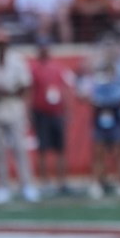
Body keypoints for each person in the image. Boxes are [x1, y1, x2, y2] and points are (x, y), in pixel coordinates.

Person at [0, 27, 39, 204]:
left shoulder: (17, 60)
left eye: (3, 43)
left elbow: (25, 86)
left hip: (14, 109)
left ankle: (26, 185)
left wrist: (6, 92)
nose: (1, 46)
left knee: (19, 149)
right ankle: (3, 186)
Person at [81, 37, 120, 199]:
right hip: (100, 111)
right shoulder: (95, 67)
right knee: (98, 149)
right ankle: (98, 182)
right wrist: (93, 100)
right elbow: (86, 89)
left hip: (117, 111)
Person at [29, 39, 73, 195]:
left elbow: (64, 89)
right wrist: (30, 114)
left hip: (57, 113)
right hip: (41, 113)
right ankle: (44, 181)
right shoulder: (34, 69)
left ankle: (62, 181)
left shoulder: (58, 68)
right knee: (42, 149)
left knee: (60, 148)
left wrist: (67, 110)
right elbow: (30, 92)